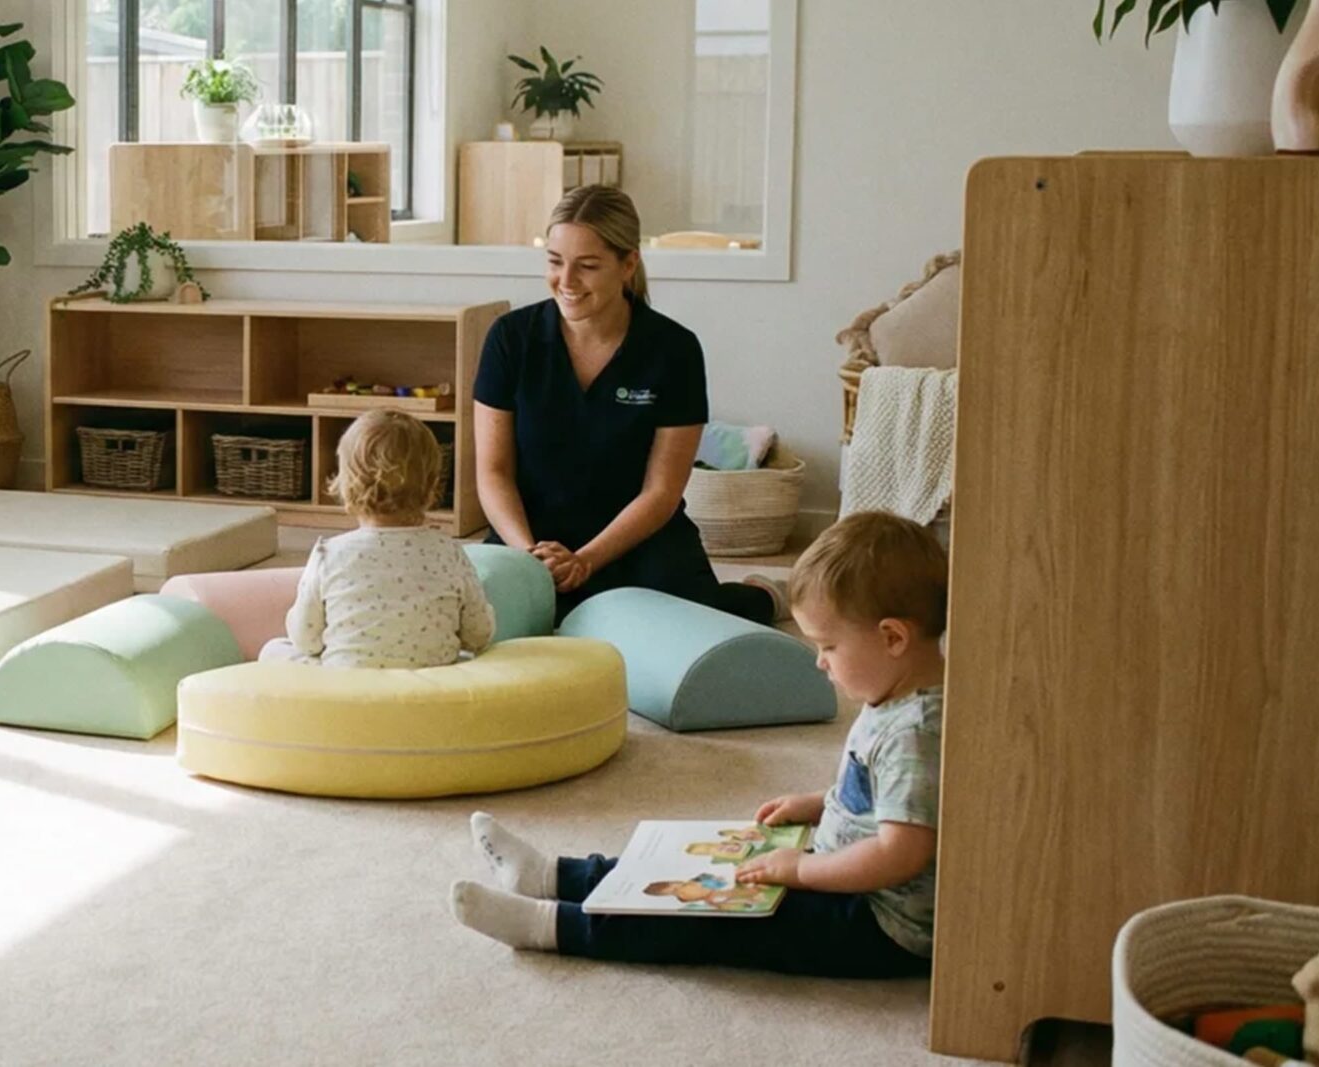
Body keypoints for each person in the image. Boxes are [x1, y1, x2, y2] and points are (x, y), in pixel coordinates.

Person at [447, 511, 949, 978]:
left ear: (893, 638)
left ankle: (549, 925)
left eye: (828, 647)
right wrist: (821, 804)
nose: (819, 662)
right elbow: (887, 800)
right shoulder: (895, 695)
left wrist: (802, 868)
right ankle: (555, 875)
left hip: (878, 923)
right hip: (843, 876)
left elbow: (900, 854)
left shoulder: (914, 732)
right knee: (710, 863)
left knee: (704, 909)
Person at [470, 185, 782, 623]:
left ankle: (761, 595)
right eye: (555, 262)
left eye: (588, 266)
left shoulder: (674, 350)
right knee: (484, 621)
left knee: (689, 625)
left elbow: (661, 492)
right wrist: (529, 558)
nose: (567, 282)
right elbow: (493, 471)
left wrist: (586, 561)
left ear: (628, 263)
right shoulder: (510, 338)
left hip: (639, 538)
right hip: (530, 536)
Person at [258, 410, 494, 668]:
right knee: (468, 658)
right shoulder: (450, 552)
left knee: (273, 650)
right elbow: (478, 635)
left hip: (347, 692)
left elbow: (306, 639)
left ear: (346, 485)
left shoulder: (329, 553)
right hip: (428, 694)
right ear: (432, 486)